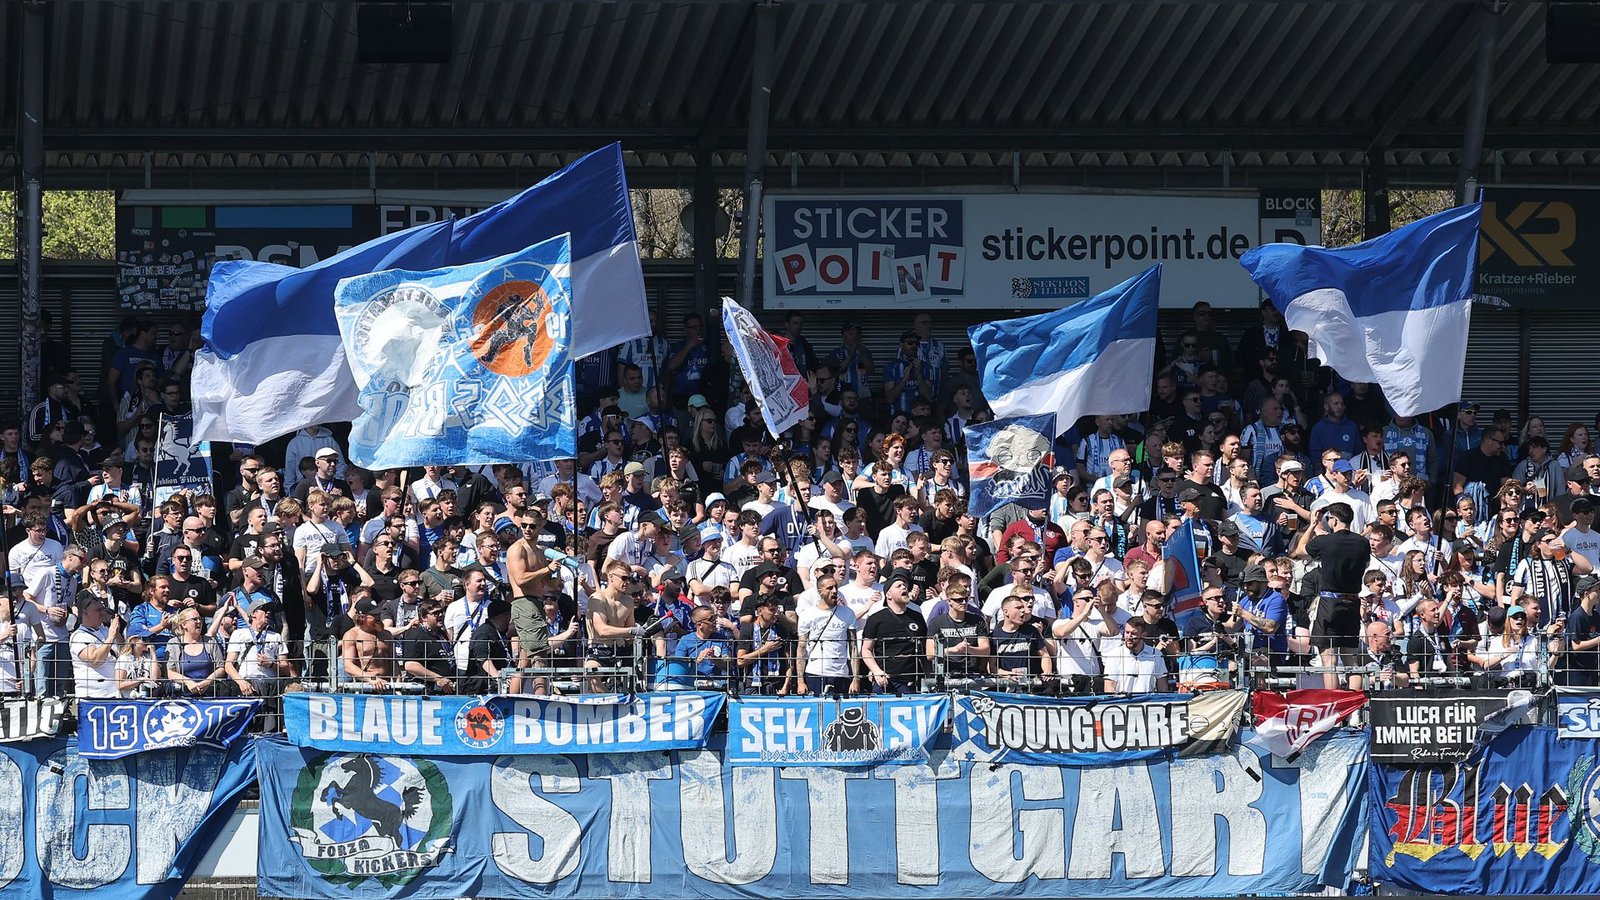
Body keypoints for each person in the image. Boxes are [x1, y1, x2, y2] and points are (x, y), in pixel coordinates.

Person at [1298, 503, 1371, 689]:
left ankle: (1336, 712)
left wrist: (1313, 525)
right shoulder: (1363, 542)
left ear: (1334, 520)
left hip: (1329, 602)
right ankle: (1355, 713)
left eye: (1329, 518)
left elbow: (1300, 550)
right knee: (1350, 659)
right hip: (1353, 602)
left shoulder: (1326, 541)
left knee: (1329, 661)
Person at [860, 569, 928, 693]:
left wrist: (929, 675)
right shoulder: (876, 618)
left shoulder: (917, 616)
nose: (904, 588)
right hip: (885, 680)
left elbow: (924, 648)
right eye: (898, 586)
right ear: (888, 595)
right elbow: (866, 649)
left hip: (912, 679)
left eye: (905, 586)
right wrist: (876, 671)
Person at [226, 603, 299, 699]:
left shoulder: (276, 636)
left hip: (271, 686)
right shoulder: (239, 634)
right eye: (264, 609)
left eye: (269, 610)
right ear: (253, 614)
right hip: (248, 683)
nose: (268, 612)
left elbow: (285, 669)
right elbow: (228, 665)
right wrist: (241, 682)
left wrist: (271, 664)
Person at [398, 601, 458, 693]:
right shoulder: (416, 635)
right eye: (435, 613)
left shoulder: (440, 633)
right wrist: (438, 679)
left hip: (446, 689)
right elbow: (410, 665)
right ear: (423, 617)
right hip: (426, 692)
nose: (441, 615)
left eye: (442, 611)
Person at [71, 596, 122, 699]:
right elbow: (95, 660)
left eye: (103, 609)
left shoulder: (105, 630)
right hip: (93, 696)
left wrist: (116, 633)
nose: (102, 613)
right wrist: (111, 636)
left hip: (114, 693)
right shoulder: (79, 636)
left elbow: (124, 651)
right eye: (98, 610)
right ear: (85, 613)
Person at [339, 596, 395, 691]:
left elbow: (394, 663)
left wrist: (398, 685)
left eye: (378, 613)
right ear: (362, 617)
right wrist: (371, 679)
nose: (378, 617)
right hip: (365, 687)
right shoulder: (352, 635)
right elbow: (348, 666)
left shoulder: (386, 634)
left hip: (387, 686)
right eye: (374, 615)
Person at [1102, 619, 1170, 693]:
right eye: (1127, 632)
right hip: (1123, 703)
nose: (1129, 636)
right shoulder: (1114, 655)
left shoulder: (1156, 654)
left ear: (1144, 635)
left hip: (1148, 703)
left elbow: (1162, 687)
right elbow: (1108, 688)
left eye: (1133, 633)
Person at [1352, 620, 1409, 690]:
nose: (1391, 637)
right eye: (1387, 634)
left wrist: (1393, 677)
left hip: (1390, 698)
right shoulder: (1360, 657)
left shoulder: (1393, 654)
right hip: (1368, 698)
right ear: (1375, 637)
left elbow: (1406, 681)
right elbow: (1352, 684)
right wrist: (1373, 679)